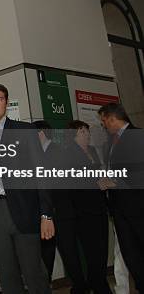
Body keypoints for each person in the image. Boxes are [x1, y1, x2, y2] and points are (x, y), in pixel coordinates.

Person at [0, 83, 54, 294]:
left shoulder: (25, 130)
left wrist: (46, 215)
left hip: (25, 211)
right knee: (7, 276)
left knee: (34, 274)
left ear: (6, 103)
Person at [53, 121, 111, 294]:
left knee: (102, 249)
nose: (86, 134)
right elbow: (71, 182)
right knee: (93, 250)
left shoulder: (93, 150)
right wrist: (95, 183)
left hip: (100, 206)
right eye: (81, 131)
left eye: (86, 130)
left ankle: (98, 281)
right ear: (73, 135)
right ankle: (99, 285)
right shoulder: (67, 154)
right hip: (83, 210)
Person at [98, 103, 144, 292]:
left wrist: (115, 180)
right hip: (119, 209)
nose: (103, 125)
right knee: (130, 253)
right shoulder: (110, 142)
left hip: (138, 206)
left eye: (104, 121)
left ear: (112, 118)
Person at [32, 120, 58, 282]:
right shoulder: (33, 154)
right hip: (37, 211)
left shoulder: (57, 151)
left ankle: (45, 283)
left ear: (40, 133)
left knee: (48, 249)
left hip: (55, 210)